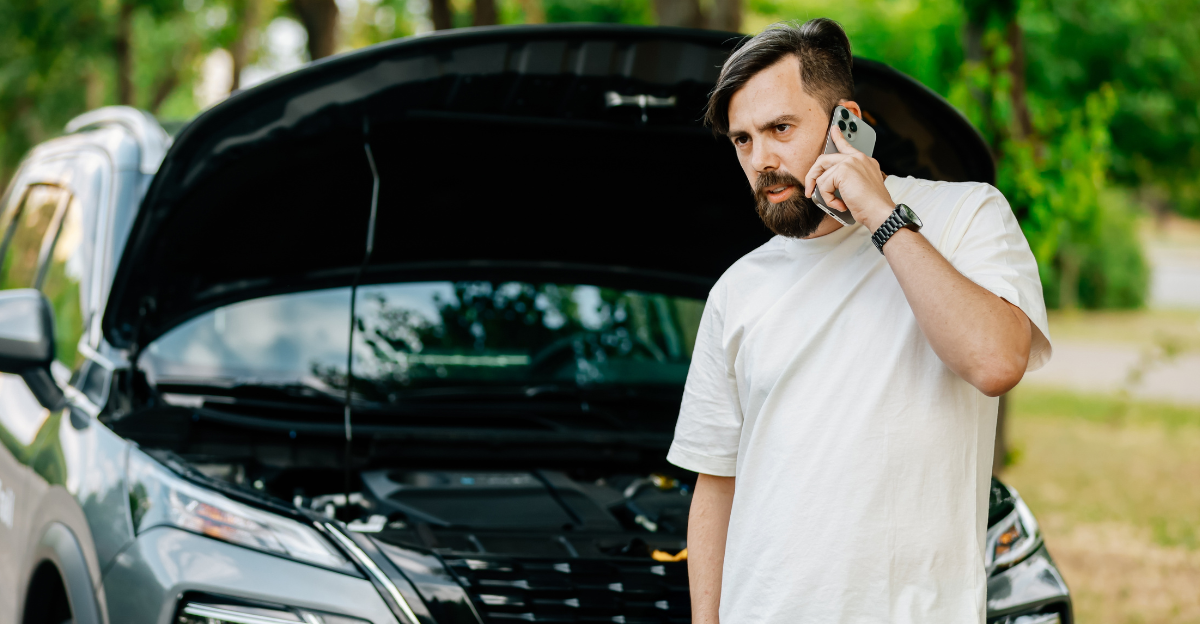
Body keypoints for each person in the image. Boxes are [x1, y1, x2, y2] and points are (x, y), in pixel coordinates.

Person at [667, 18, 1052, 624]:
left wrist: (880, 214)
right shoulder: (738, 290)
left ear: (845, 121)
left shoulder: (965, 215)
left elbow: (996, 360)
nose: (762, 160)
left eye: (780, 129)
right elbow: (716, 485)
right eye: (743, 140)